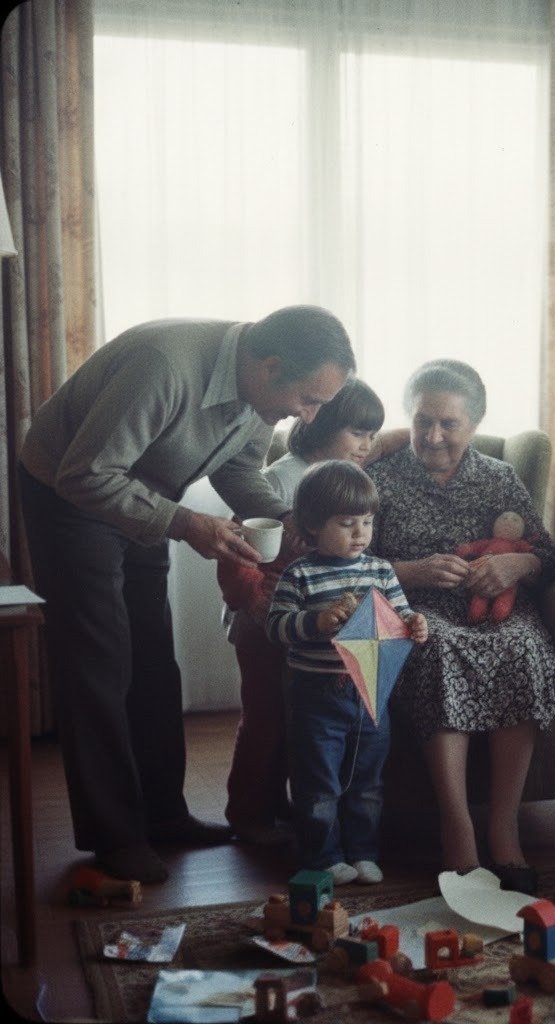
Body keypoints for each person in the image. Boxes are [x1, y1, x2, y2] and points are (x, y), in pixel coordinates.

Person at [17, 305, 355, 883]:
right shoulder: (164, 367)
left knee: (153, 657)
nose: (309, 416)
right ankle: (114, 837)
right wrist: (185, 523)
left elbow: (239, 470)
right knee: (99, 663)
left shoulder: (259, 394)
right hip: (70, 494)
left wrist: (282, 517)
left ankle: (163, 814)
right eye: (308, 399)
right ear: (271, 367)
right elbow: (85, 473)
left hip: (144, 492)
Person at [365, 359, 555, 894]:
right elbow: (344, 564)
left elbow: (545, 553)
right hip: (414, 611)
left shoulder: (499, 478)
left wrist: (516, 565)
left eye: (448, 424)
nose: (432, 436)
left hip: (495, 608)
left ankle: (504, 827)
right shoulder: (378, 480)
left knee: (523, 648)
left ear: (473, 425)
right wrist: (410, 571)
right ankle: (458, 826)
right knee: (437, 649)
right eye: (423, 420)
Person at [217, 378, 385, 846]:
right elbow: (237, 549)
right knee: (266, 718)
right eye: (359, 433)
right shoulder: (281, 478)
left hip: (309, 630)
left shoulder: (345, 479)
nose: (368, 446)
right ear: (323, 423)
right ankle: (248, 813)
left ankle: (285, 807)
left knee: (297, 722)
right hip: (264, 621)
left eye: (373, 435)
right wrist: (252, 603)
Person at [266, 460, 428, 885]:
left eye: (367, 522)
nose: (360, 533)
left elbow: (401, 614)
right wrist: (316, 621)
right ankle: (322, 856)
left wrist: (414, 623)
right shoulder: (299, 573)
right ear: (314, 526)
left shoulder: (380, 570)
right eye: (346, 523)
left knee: (368, 781)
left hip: (371, 690)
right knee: (318, 782)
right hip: (316, 696)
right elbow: (276, 627)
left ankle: (362, 852)